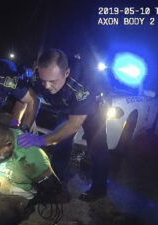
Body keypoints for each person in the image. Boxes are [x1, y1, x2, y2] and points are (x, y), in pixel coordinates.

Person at [18, 49, 109, 201]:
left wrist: (42, 140)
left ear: (66, 73)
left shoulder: (81, 87)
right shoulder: (39, 76)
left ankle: (99, 188)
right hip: (65, 105)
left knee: (97, 147)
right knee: (61, 143)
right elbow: (28, 99)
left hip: (93, 107)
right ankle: (57, 184)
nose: (46, 86)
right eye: (43, 80)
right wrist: (22, 125)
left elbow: (74, 124)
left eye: (52, 81)